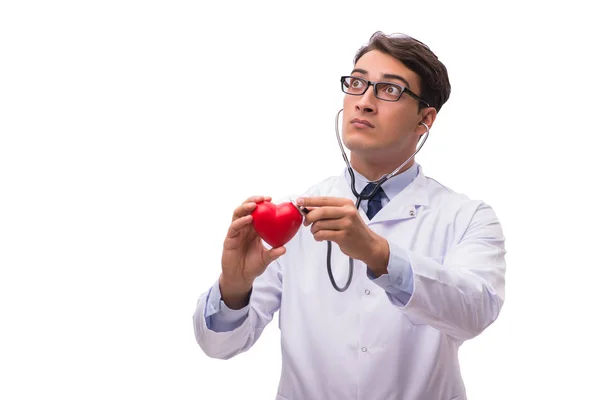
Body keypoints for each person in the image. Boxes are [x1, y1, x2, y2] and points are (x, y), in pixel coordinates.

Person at [193, 31, 507, 400]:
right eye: (357, 84)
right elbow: (220, 346)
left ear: (425, 119)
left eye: (390, 90)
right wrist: (234, 286)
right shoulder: (292, 218)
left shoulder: (467, 217)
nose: (365, 102)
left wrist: (380, 255)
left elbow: (476, 311)